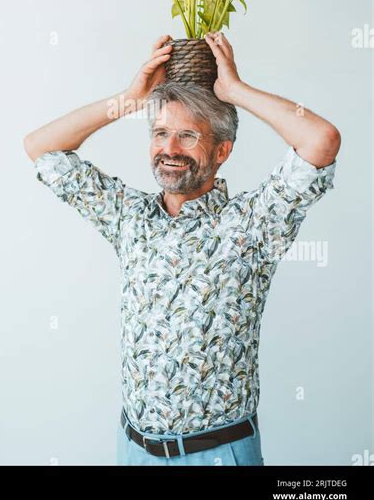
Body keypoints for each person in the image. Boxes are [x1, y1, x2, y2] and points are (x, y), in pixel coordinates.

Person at [24, 31, 341, 465]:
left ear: (222, 150)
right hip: (134, 449)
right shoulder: (129, 217)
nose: (169, 149)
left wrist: (236, 92)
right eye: (160, 133)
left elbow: (320, 140)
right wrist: (128, 99)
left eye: (189, 136)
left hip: (218, 453)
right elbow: (41, 148)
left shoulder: (253, 224)